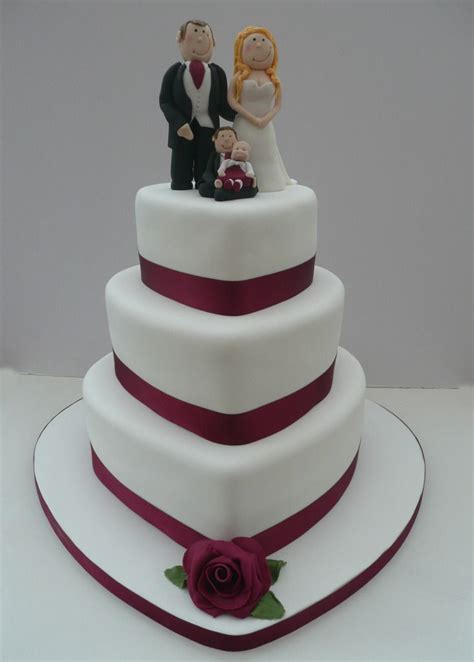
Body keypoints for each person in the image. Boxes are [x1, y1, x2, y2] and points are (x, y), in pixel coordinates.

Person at [159, 19, 235, 190]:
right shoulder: (174, 71)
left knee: (206, 162)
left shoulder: (217, 73)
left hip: (208, 128)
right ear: (180, 39)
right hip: (183, 129)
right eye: (194, 35)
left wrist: (240, 113)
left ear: (213, 42)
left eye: (205, 35)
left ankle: (204, 183)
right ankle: (181, 183)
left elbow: (222, 104)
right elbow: (165, 101)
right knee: (180, 164)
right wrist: (179, 123)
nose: (200, 39)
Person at [228, 26, 292, 192]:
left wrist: (265, 119)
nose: (258, 45)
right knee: (243, 152)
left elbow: (278, 105)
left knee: (267, 152)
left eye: (263, 41)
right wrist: (251, 118)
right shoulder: (238, 78)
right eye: (254, 41)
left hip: (265, 125)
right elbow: (232, 101)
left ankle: (269, 182)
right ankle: (241, 181)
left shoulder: (274, 79)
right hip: (244, 124)